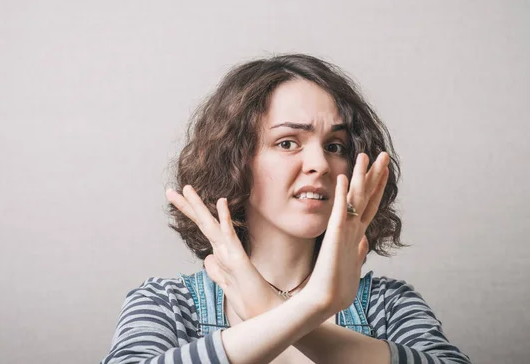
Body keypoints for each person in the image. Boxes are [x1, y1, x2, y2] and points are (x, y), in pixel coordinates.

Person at [100, 54, 471, 363]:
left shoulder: (386, 305)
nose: (321, 164)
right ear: (235, 161)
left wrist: (270, 309)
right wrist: (311, 308)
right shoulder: (169, 304)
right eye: (288, 142)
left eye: (336, 146)